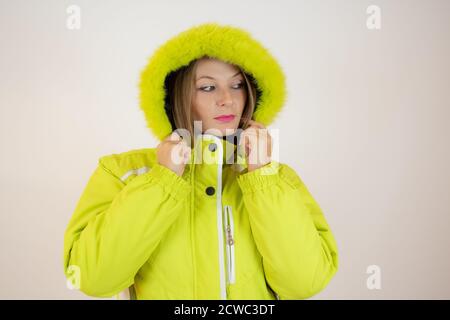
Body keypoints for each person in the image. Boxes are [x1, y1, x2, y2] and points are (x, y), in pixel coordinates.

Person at [63, 22, 339, 300]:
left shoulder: (277, 179)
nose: (227, 99)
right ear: (176, 95)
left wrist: (262, 178)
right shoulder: (124, 173)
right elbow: (92, 278)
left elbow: (304, 283)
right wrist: (162, 182)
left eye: (237, 85)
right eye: (207, 87)